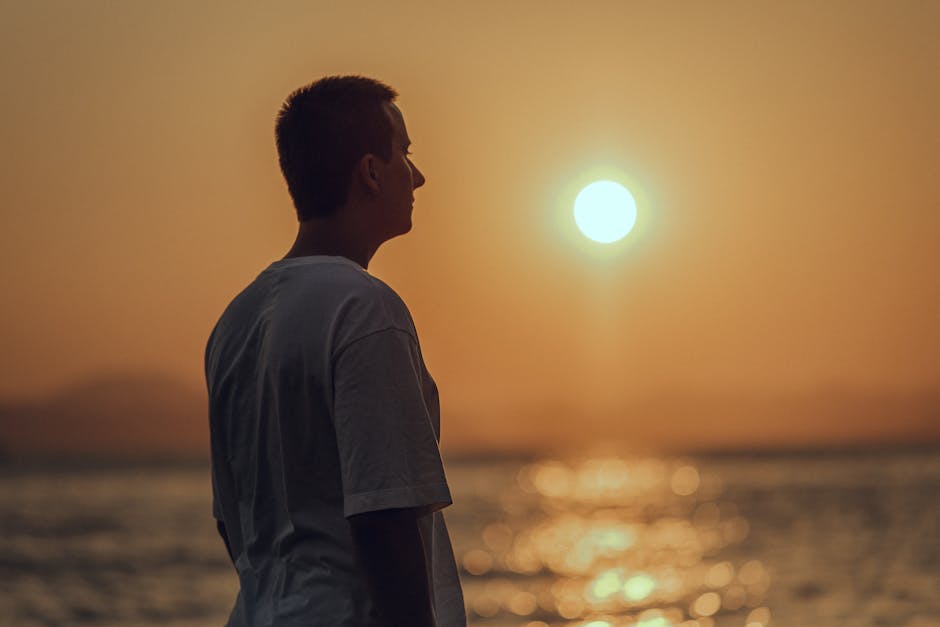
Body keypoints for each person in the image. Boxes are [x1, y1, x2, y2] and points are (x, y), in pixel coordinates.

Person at [204, 75, 466, 627]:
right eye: (405, 153)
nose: (418, 176)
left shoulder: (236, 320)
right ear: (371, 171)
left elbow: (234, 522)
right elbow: (385, 513)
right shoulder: (364, 310)